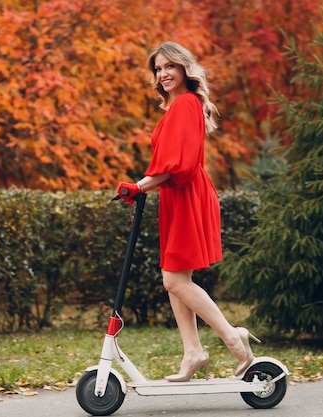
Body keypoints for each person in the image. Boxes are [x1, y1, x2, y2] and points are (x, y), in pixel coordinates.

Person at [117, 41, 259, 382]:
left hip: (186, 193)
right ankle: (193, 352)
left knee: (175, 280)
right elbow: (171, 164)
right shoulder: (181, 106)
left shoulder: (185, 105)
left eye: (169, 67)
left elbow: (175, 164)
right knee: (177, 281)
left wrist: (138, 185)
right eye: (158, 69)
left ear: (184, 68)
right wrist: (144, 186)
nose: (163, 74)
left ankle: (233, 338)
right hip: (179, 196)